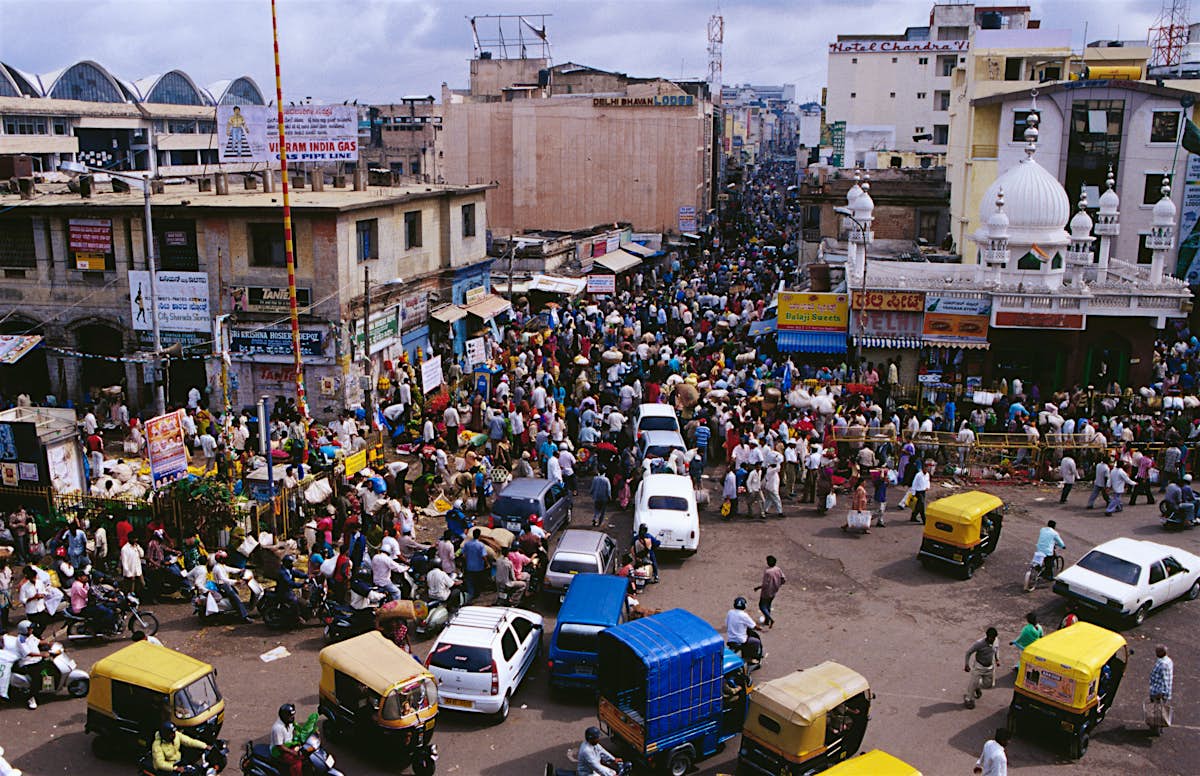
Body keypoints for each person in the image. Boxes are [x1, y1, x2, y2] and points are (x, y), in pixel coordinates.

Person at [209, 553, 252, 622]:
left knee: (236, 594)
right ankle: (244, 617)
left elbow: (230, 569)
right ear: (221, 559)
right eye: (224, 558)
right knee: (236, 598)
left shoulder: (221, 566)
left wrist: (240, 570)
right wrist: (236, 581)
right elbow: (223, 579)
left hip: (224, 585)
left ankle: (236, 609)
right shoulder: (217, 568)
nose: (226, 560)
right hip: (222, 586)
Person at [963, 627, 999, 709]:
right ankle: (969, 699)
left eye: (994, 638)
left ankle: (977, 687)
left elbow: (996, 650)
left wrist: (997, 659)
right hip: (979, 666)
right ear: (987, 637)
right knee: (973, 683)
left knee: (989, 685)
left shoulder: (996, 641)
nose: (993, 640)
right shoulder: (979, 643)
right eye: (991, 638)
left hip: (990, 667)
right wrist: (966, 664)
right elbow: (968, 652)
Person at [724, 596, 762, 665]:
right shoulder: (744, 615)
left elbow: (726, 623)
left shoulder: (730, 612)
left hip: (731, 639)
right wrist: (760, 628)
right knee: (756, 641)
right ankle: (750, 658)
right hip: (741, 640)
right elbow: (753, 625)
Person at [270, 703, 304, 776]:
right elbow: (280, 746)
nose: (292, 717)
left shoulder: (289, 722)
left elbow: (297, 728)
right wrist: (292, 752)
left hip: (289, 745)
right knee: (297, 762)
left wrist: (311, 731)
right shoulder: (278, 728)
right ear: (284, 716)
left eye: (293, 715)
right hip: (279, 751)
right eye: (290, 716)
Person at [753, 555, 786, 628]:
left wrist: (758, 587)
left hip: (766, 591)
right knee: (768, 605)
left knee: (762, 606)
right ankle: (767, 621)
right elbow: (783, 579)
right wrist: (778, 585)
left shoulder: (767, 572)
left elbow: (765, 584)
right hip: (774, 590)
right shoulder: (778, 569)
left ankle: (770, 619)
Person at [462, 529, 489, 601]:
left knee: (470, 582)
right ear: (479, 536)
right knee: (477, 582)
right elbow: (483, 556)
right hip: (479, 568)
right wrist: (487, 564)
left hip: (469, 567)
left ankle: (470, 596)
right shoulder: (481, 545)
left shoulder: (467, 544)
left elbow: (463, 555)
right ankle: (477, 596)